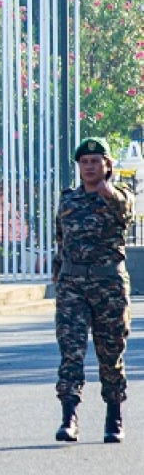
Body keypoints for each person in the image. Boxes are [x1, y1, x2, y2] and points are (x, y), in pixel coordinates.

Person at [53, 138, 133, 444]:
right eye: (84, 162)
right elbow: (62, 241)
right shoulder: (68, 200)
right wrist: (58, 276)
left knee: (110, 352)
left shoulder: (119, 196)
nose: (89, 167)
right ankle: (68, 416)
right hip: (73, 285)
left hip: (108, 285)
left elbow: (126, 213)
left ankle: (114, 416)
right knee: (71, 351)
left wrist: (108, 193)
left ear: (107, 165)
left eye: (95, 161)